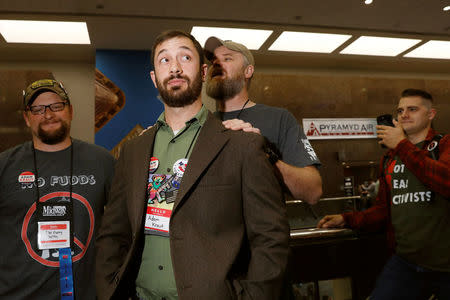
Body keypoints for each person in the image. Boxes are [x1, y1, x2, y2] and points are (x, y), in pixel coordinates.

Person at [95, 30, 289, 300]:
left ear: (204, 72)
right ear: (154, 78)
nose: (174, 67)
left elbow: (271, 238)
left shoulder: (241, 146)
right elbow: (114, 232)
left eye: (185, 57)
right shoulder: (133, 150)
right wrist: (107, 289)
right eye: (164, 60)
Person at [317, 89, 450, 299]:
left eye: (412, 109)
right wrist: (347, 218)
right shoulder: (390, 158)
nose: (403, 114)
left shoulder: (444, 145)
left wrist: (401, 145)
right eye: (400, 110)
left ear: (431, 114)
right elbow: (383, 210)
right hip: (406, 262)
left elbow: (446, 181)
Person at [0, 79, 115, 299]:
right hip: (18, 294)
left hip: (84, 294)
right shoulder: (5, 166)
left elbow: (123, 226)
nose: (48, 114)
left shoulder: (102, 162)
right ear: (27, 117)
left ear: (70, 111)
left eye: (56, 106)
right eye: (37, 109)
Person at [203, 37, 322, 204]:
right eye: (213, 60)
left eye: (227, 58)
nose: (215, 63)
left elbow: (313, 191)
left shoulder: (279, 118)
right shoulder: (203, 125)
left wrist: (266, 156)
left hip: (262, 229)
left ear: (248, 71)